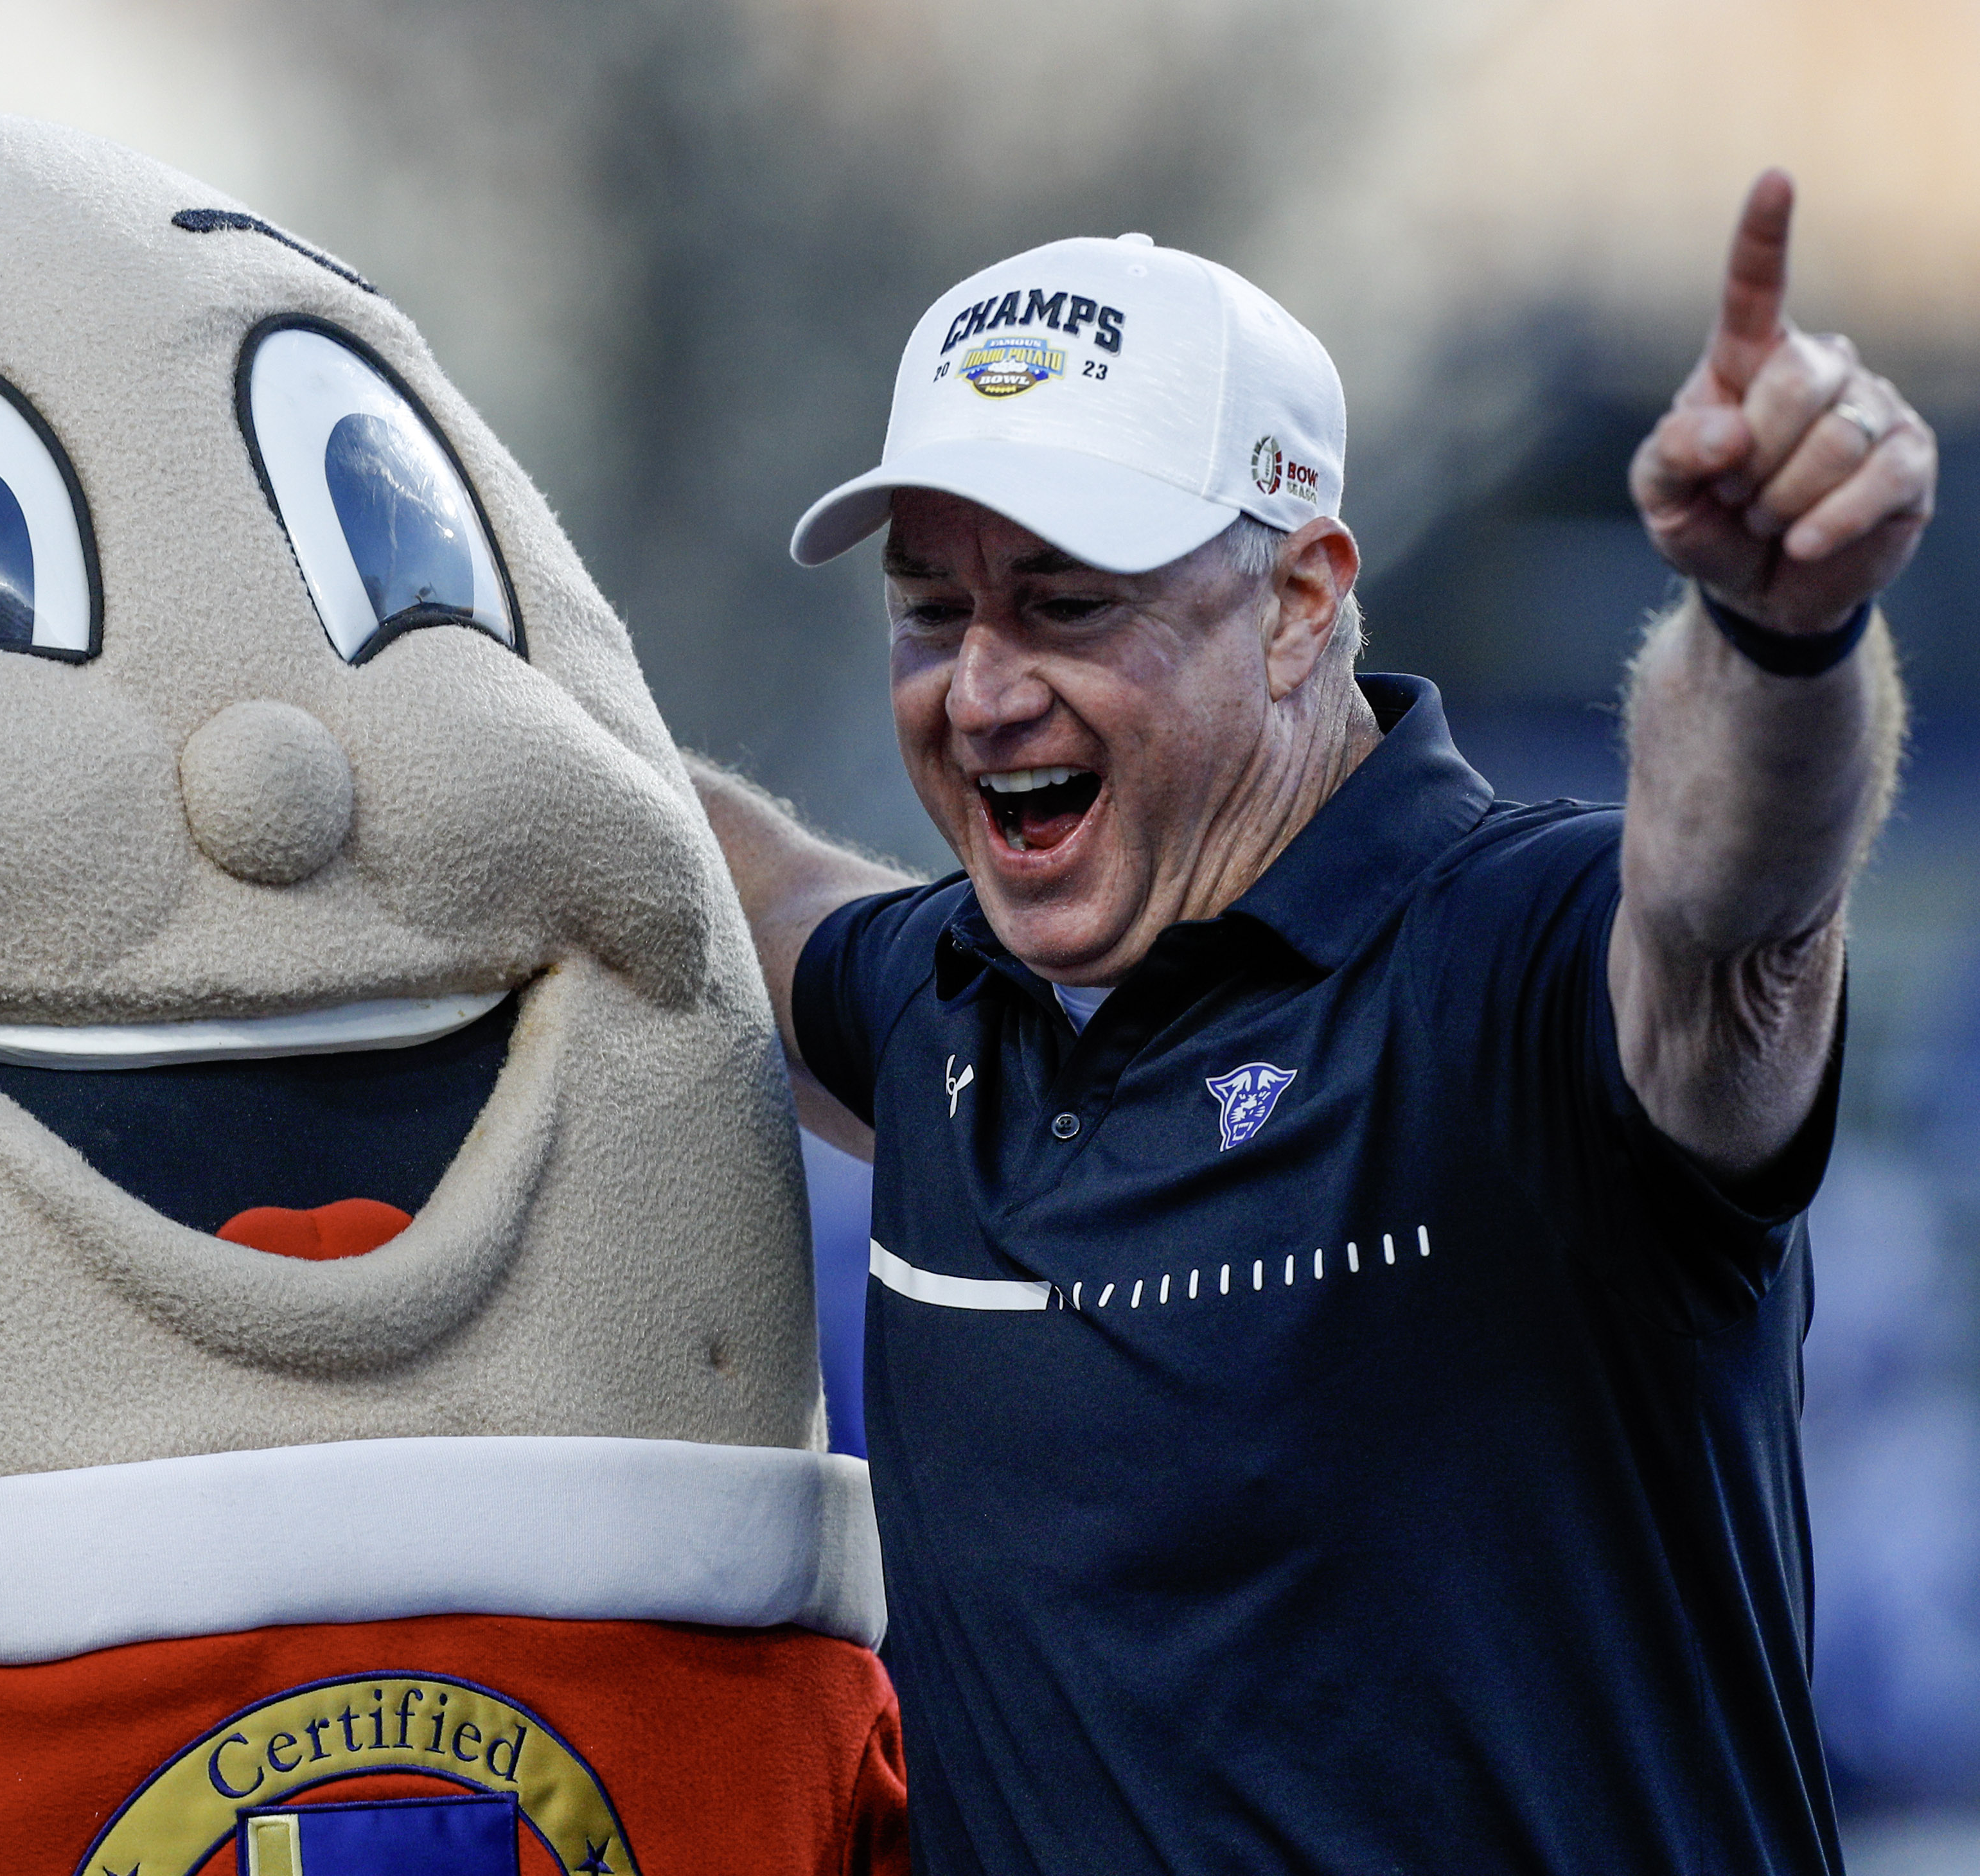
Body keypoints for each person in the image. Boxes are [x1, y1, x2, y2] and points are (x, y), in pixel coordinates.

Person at [691, 172, 1933, 1873]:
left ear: (1297, 601)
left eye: (1066, 604)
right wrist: (431, 619)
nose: (979, 691)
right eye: (933, 610)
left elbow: (1737, 898)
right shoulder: (947, 1001)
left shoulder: (1513, 964)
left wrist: (1777, 637)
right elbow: (739, 890)